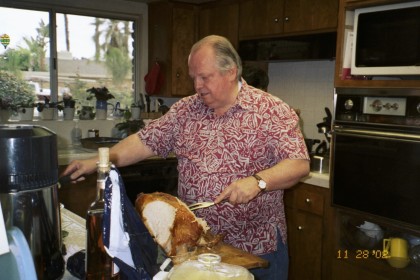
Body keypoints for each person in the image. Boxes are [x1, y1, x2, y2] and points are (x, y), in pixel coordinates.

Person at [63, 35, 310, 280]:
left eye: (204, 77)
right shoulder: (185, 110)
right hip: (195, 248)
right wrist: (98, 161)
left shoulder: (271, 110)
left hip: (256, 248)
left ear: (231, 72)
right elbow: (143, 142)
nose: (197, 86)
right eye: (194, 78)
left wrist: (257, 182)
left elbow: (298, 164)